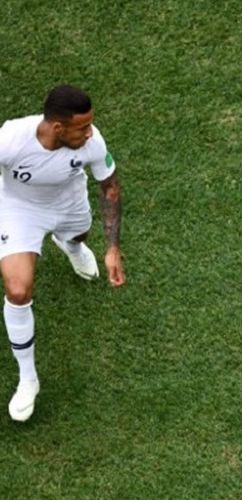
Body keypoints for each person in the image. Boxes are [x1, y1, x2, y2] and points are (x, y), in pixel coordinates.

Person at [0, 84, 125, 422]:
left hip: (69, 204)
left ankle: (71, 245)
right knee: (18, 290)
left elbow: (109, 186)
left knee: (78, 233)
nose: (90, 132)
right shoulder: (12, 138)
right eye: (82, 127)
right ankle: (28, 379)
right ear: (58, 127)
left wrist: (112, 248)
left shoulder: (92, 143)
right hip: (19, 210)